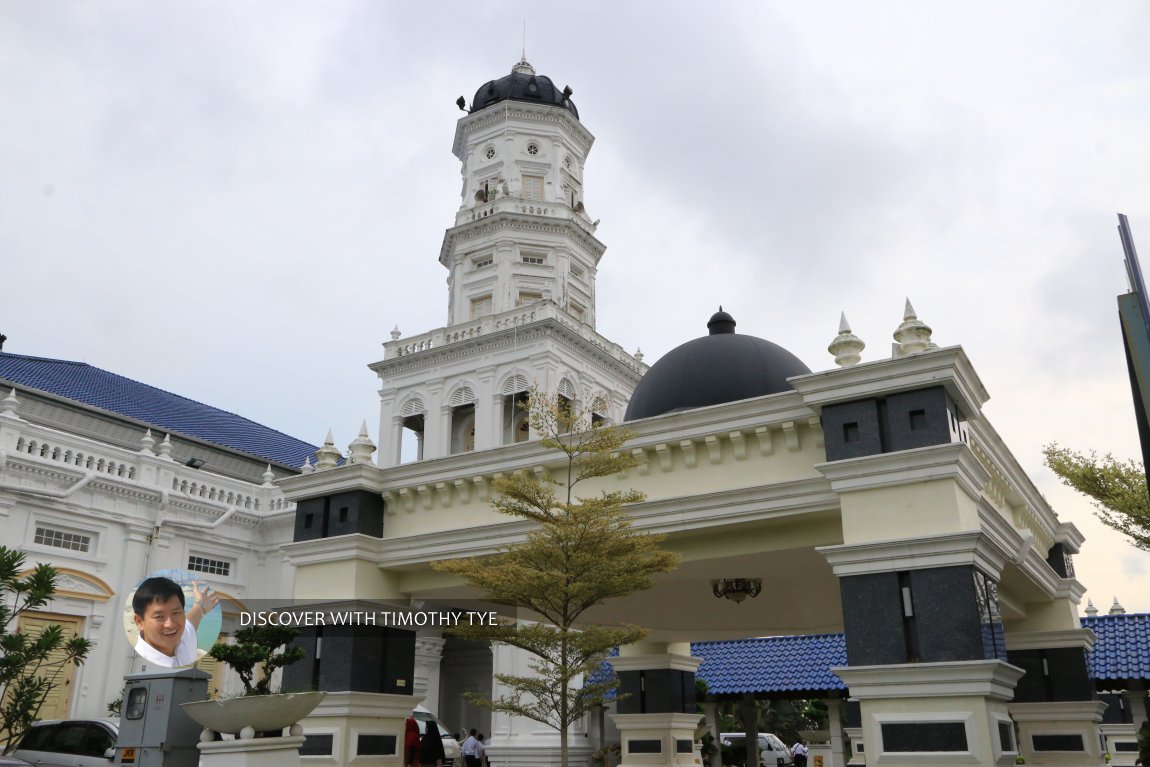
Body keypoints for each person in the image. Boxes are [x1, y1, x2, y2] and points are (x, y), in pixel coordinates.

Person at [131, 576, 217, 668]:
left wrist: (201, 605)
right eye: (159, 616)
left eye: (175, 613)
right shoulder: (142, 661)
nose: (170, 624)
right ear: (139, 622)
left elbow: (191, 621)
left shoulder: (183, 636)